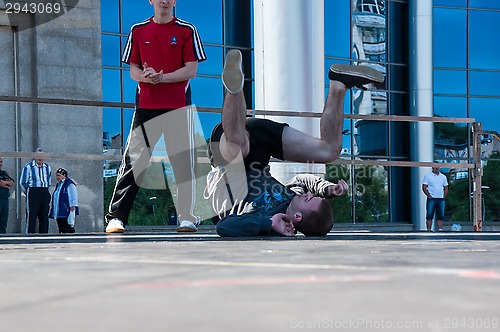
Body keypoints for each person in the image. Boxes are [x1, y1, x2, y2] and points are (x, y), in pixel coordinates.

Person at [205, 50, 384, 237]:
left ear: (297, 217)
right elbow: (301, 181)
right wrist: (327, 189)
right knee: (329, 152)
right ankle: (339, 85)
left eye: (309, 199)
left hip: (228, 160)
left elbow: (224, 226)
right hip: (261, 151)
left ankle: (235, 89)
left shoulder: (266, 219)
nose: (309, 194)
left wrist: (268, 223)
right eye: (311, 195)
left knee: (238, 148)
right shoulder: (292, 197)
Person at [106, 0, 207, 233]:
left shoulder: (186, 30)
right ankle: (116, 218)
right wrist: (147, 76)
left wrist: (163, 77)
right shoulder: (138, 30)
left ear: (174, 1)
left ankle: (186, 218)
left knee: (182, 163)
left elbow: (191, 69)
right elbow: (133, 71)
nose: (164, 0)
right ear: (151, 0)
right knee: (135, 161)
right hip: (146, 106)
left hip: (178, 106)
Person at [19, 148, 52, 234]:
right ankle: (30, 236)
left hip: (44, 191)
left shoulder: (47, 167)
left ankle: (44, 236)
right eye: (38, 155)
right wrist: (29, 192)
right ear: (34, 156)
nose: (40, 158)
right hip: (33, 191)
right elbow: (22, 182)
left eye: (42, 156)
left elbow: (49, 182)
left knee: (44, 216)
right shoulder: (28, 167)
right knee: (32, 216)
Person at [49, 168, 78, 234]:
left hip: (65, 209)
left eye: (59, 175)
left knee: (66, 225)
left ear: (64, 175)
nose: (57, 177)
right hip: (59, 209)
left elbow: (73, 195)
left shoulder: (69, 184)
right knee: (60, 225)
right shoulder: (59, 185)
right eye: (57, 175)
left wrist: (72, 205)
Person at [422, 166, 449, 231]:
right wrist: (429, 195)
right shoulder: (428, 176)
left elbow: (446, 187)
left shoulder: (443, 177)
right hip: (432, 198)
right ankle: (429, 229)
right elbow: (424, 187)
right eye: (435, 167)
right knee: (429, 215)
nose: (437, 168)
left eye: (438, 167)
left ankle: (440, 229)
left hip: (440, 198)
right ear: (432, 167)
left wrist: (444, 196)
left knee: (440, 215)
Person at [0, 157, 15, 234]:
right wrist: (5, 183)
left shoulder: (3, 173)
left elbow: (12, 182)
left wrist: (5, 183)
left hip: (5, 198)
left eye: (1, 161)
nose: (0, 163)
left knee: (3, 221)